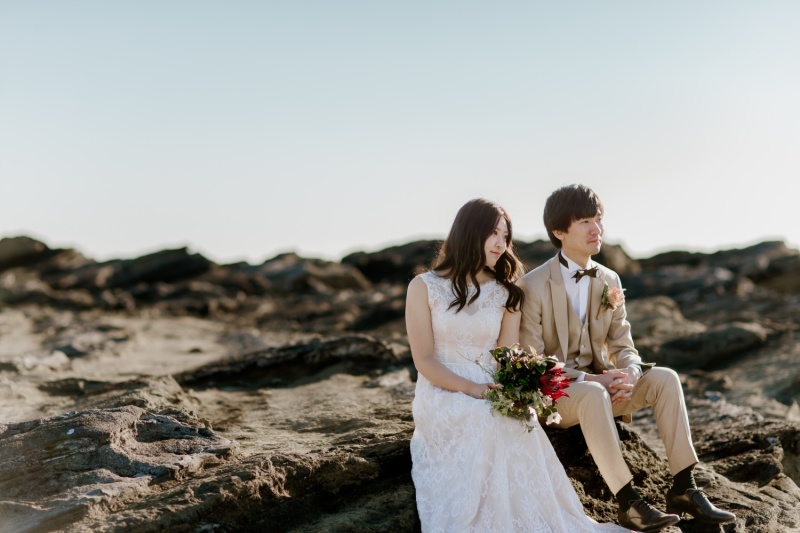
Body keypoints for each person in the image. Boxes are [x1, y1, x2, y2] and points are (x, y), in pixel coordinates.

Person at [517, 184, 737, 532]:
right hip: (559, 396)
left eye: (599, 220)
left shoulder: (609, 279)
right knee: (593, 394)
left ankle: (684, 487)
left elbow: (623, 342)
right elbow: (532, 361)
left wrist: (631, 371)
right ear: (559, 231)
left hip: (606, 389)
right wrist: (593, 380)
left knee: (665, 378)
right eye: (585, 221)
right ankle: (628, 501)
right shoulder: (531, 285)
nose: (597, 229)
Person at [406, 198, 628, 532]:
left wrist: (517, 392)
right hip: (443, 389)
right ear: (469, 233)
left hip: (493, 386)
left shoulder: (505, 293)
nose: (500, 243)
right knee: (485, 419)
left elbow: (507, 357)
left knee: (515, 418)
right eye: (493, 233)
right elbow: (423, 359)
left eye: (505, 236)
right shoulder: (423, 287)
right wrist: (473, 389)